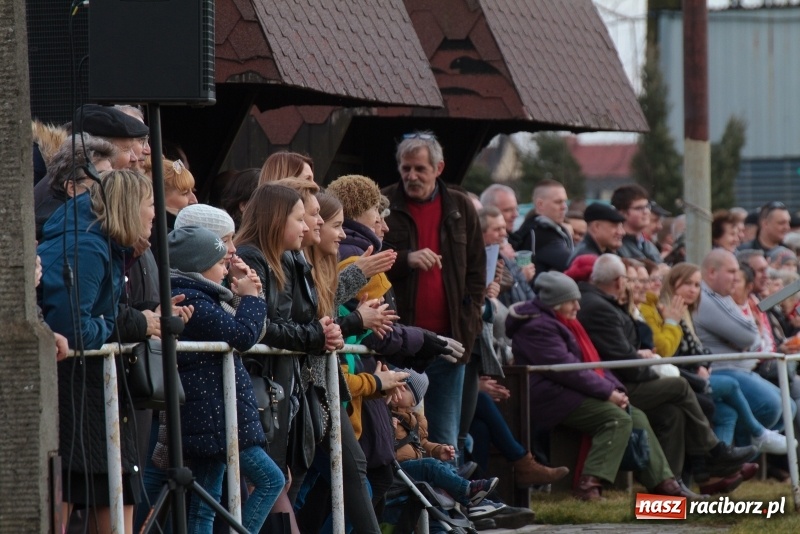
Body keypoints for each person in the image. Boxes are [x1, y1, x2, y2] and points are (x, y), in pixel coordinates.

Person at [576, 254, 756, 491]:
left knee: (672, 412)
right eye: (633, 280)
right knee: (683, 387)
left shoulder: (608, 304)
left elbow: (641, 351)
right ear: (620, 282)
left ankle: (672, 488)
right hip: (614, 385)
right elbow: (637, 357)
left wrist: (649, 355)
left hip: (623, 379)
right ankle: (714, 455)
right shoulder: (603, 307)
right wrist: (667, 330)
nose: (636, 286)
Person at [38, 170, 155, 533]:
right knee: (65, 494)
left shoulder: (105, 245)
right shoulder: (87, 245)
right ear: (131, 206)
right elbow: (74, 328)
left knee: (120, 491)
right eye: (151, 204)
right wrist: (110, 325)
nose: (155, 213)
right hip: (72, 389)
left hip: (94, 389)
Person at [506, 271, 691, 500]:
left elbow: (590, 366)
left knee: (637, 417)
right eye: (571, 301)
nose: (577, 307)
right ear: (555, 303)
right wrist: (608, 393)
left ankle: (664, 484)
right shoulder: (538, 327)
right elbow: (568, 370)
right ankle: (588, 485)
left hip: (565, 390)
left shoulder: (559, 322)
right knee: (617, 419)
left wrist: (616, 390)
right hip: (549, 396)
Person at [163, 226, 284, 533]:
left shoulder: (202, 296)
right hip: (216, 417)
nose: (226, 266)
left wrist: (247, 296)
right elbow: (242, 335)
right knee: (272, 480)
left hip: (213, 416)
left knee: (205, 505)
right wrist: (252, 297)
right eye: (220, 262)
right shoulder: (194, 298)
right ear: (199, 265)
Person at [382, 131, 485, 458]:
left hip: (449, 340)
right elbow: (366, 260)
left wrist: (471, 314)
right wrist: (405, 258)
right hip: (402, 341)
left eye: (419, 169)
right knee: (402, 431)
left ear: (438, 168)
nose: (411, 176)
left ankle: (449, 504)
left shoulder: (460, 206)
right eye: (405, 168)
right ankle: (412, 505)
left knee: (446, 434)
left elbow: (477, 269)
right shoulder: (385, 204)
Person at [640, 262, 789, 457]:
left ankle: (720, 471)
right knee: (731, 385)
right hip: (679, 379)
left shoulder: (687, 311)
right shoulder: (666, 311)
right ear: (673, 284)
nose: (693, 290)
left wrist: (703, 364)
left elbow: (701, 350)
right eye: (688, 284)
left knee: (729, 412)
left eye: (696, 285)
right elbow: (667, 352)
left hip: (696, 376)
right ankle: (758, 434)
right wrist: (671, 323)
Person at [391, 369, 507, 519]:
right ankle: (468, 491)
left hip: (413, 469)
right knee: (431, 466)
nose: (397, 388)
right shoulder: (383, 411)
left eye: (405, 388)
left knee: (440, 470)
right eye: (396, 382)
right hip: (397, 469)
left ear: (414, 401)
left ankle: (472, 503)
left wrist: (438, 450)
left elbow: (422, 444)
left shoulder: (417, 420)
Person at [508, 179, 573, 276]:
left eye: (565, 201)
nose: (564, 207)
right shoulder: (540, 234)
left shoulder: (533, 227)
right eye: (558, 202)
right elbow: (573, 263)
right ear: (540, 204)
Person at [611, 184, 662, 264]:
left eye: (647, 206)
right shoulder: (616, 246)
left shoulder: (649, 246)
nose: (646, 212)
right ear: (622, 213)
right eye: (639, 208)